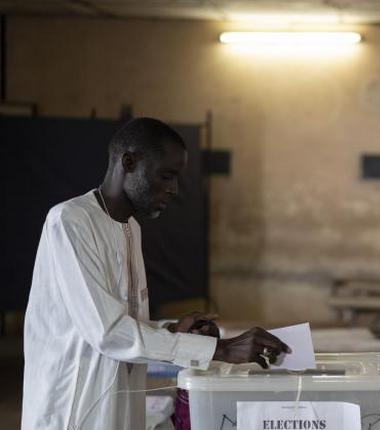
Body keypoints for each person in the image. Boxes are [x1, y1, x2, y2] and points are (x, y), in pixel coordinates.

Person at [22, 118, 290, 430]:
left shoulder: (130, 228)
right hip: (74, 407)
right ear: (129, 162)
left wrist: (173, 330)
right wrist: (222, 349)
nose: (174, 189)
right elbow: (107, 333)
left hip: (120, 402)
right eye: (166, 175)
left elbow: (124, 322)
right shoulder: (70, 221)